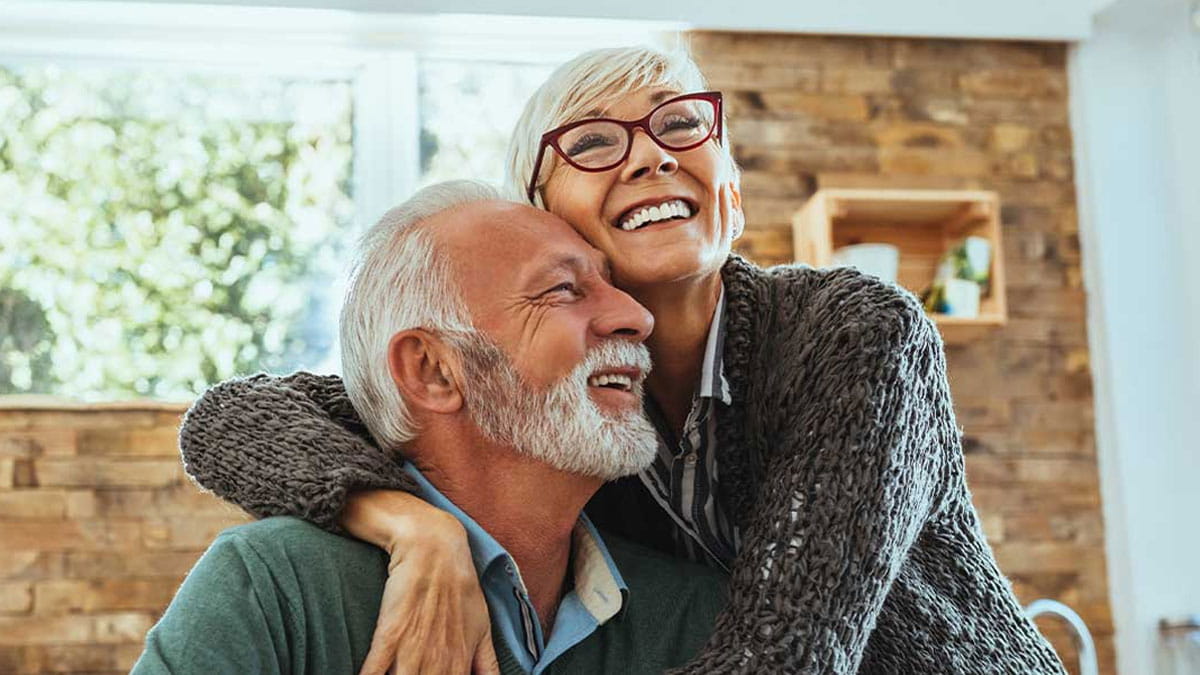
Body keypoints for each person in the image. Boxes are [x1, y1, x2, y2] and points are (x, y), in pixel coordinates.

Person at [180, 47, 1066, 674]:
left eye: (681, 125)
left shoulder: (857, 333)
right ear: (543, 212)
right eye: (595, 143)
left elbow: (787, 656)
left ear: (732, 189)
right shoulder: (561, 403)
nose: (650, 151)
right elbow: (233, 418)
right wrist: (415, 524)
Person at [133, 182, 727, 674]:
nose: (636, 316)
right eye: (563, 290)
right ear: (433, 370)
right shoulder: (274, 589)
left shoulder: (698, 616)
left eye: (613, 286)